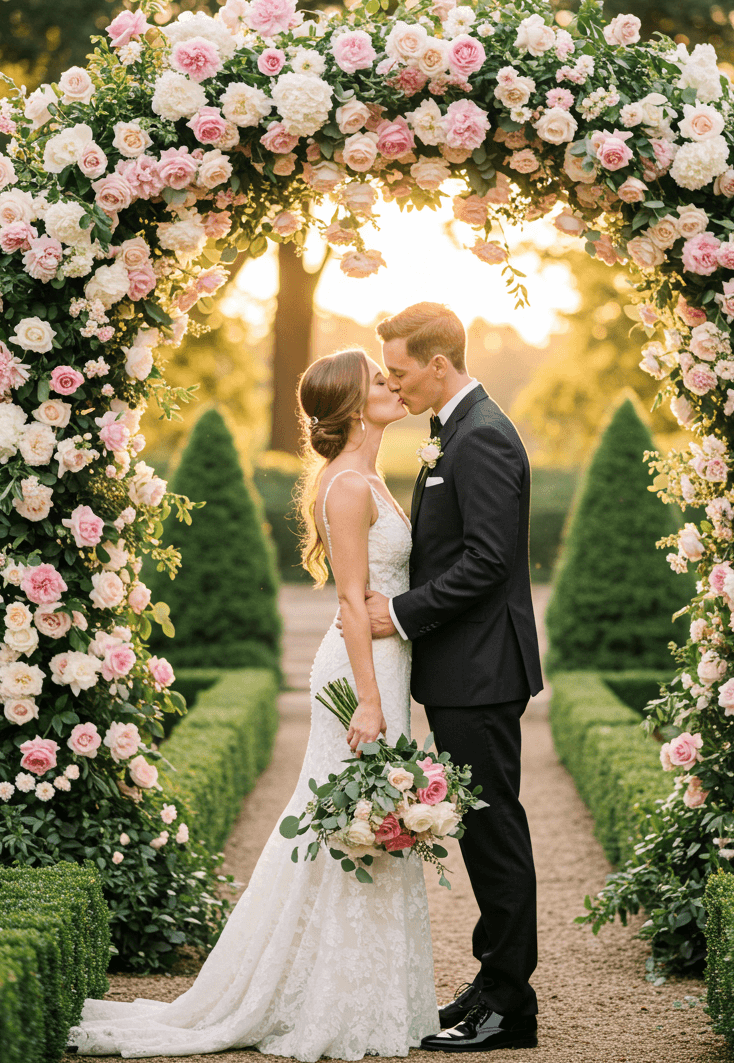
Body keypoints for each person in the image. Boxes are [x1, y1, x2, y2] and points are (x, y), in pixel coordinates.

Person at [68, 349, 439, 1060]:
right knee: (348, 824)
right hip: (360, 677)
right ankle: (323, 999)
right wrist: (367, 701)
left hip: (385, 669)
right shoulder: (347, 486)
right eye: (379, 381)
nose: (393, 385)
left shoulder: (371, 476)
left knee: (371, 824)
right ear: (353, 406)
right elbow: (351, 604)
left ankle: (369, 995)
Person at [368, 302, 543, 1055]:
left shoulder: (483, 438)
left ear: (439, 365)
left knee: (494, 827)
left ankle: (512, 1003)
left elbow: (487, 562)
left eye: (402, 371)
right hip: (462, 669)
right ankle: (492, 980)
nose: (395, 385)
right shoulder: (452, 432)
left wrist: (399, 615)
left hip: (481, 669)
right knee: (480, 825)